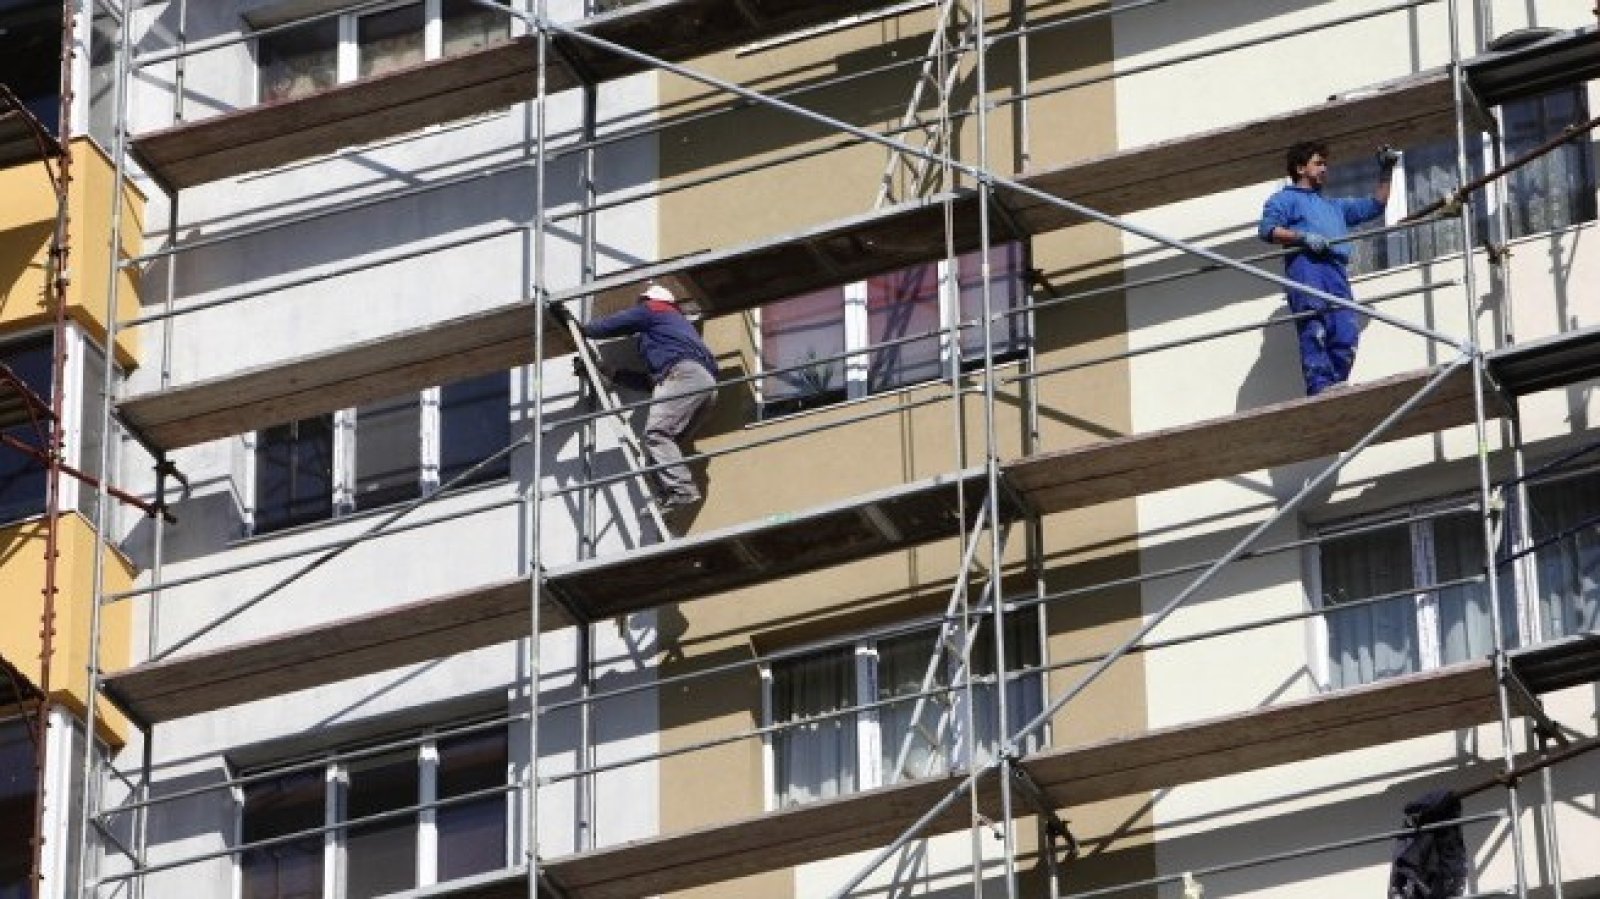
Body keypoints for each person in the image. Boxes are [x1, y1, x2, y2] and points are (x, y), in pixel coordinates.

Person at [557, 284, 719, 511]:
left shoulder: (656, 309)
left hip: (684, 376)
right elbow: (652, 383)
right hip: (704, 385)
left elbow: (615, 323)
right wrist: (611, 373)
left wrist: (583, 329)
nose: (639, 308)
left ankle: (682, 490)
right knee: (660, 445)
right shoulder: (673, 331)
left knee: (656, 434)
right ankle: (669, 495)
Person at [1258, 140, 1398, 395]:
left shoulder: (1334, 207)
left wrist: (1386, 171)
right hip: (1307, 267)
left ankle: (1335, 384)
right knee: (1315, 327)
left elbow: (1376, 206)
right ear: (1300, 168)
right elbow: (1268, 230)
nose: (1325, 169)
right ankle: (1320, 387)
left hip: (1335, 271)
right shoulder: (1285, 199)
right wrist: (1302, 237)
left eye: (1326, 164)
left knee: (1345, 331)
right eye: (1318, 163)